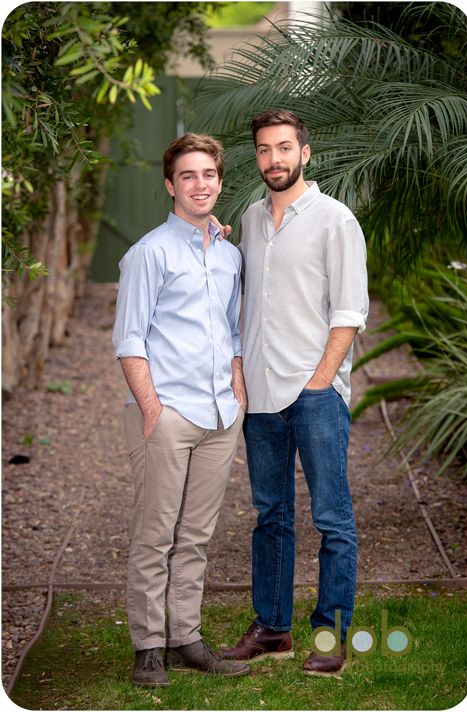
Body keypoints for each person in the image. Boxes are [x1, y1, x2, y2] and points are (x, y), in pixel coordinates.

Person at [220, 109, 369, 676]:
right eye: (263, 150)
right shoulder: (250, 218)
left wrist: (321, 378)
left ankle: (330, 635)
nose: (274, 159)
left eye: (284, 148)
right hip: (261, 395)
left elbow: (350, 310)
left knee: (332, 517)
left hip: (315, 392)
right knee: (271, 515)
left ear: (305, 153)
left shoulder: (335, 219)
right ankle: (273, 627)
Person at [112, 133, 249, 687]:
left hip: (219, 416)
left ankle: (185, 636)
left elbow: (233, 331)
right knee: (155, 533)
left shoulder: (230, 252)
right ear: (170, 186)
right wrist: (150, 409)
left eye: (209, 175)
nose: (200, 185)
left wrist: (237, 390)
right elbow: (129, 340)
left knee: (195, 534)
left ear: (219, 181)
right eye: (188, 176)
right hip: (166, 414)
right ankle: (148, 645)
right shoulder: (149, 252)